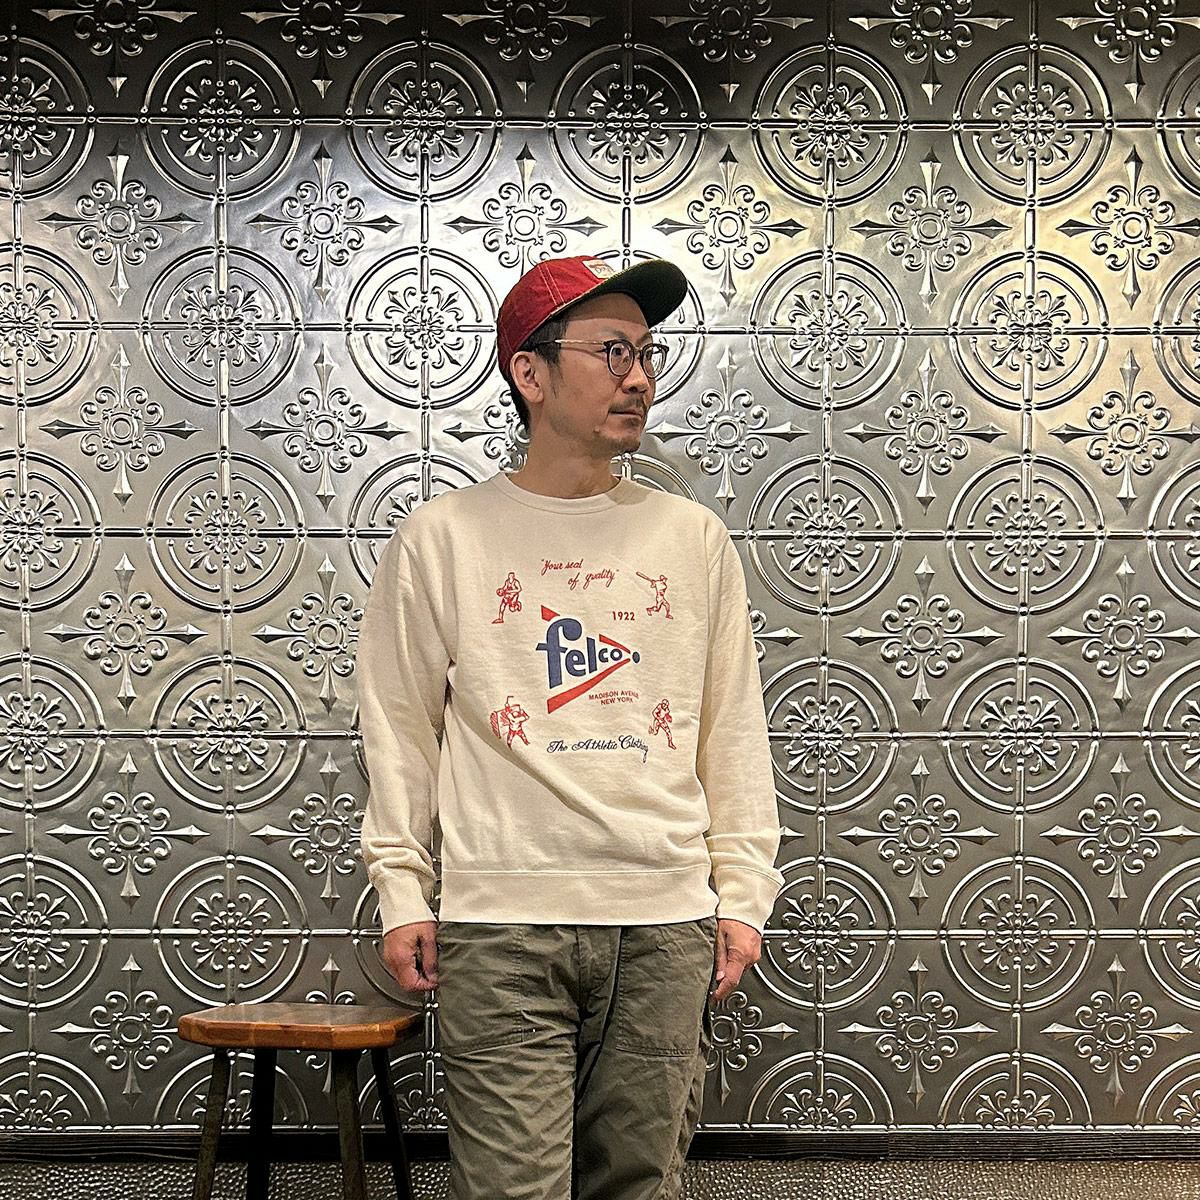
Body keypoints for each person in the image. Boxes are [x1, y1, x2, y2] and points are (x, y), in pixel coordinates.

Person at [357, 254, 784, 1200]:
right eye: (612, 352)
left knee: (639, 1185)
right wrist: (403, 889)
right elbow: (398, 726)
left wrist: (744, 891)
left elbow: (731, 725)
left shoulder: (691, 538)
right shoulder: (444, 536)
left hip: (664, 919)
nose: (639, 378)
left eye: (647, 354)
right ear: (531, 373)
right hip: (501, 921)